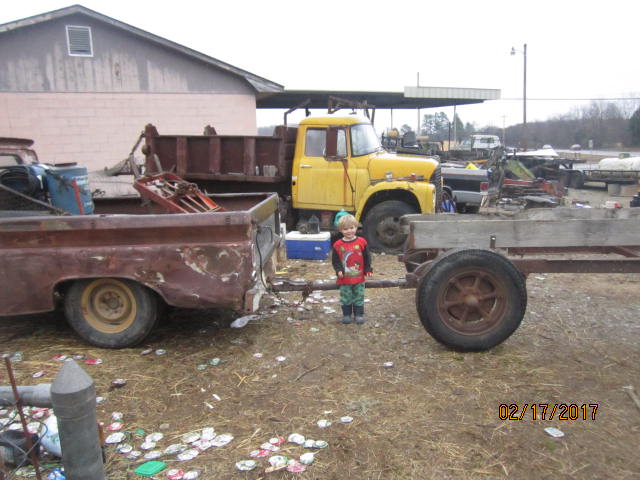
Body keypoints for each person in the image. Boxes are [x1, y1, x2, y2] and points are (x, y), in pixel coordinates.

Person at [331, 214, 372, 324]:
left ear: (356, 227)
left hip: (359, 278)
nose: (349, 231)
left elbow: (367, 257)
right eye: (345, 229)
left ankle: (358, 314)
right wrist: (338, 270)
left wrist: (368, 269)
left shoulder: (362, 242)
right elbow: (335, 261)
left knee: (359, 296)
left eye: (351, 228)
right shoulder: (337, 245)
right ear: (340, 230)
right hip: (345, 279)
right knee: (346, 297)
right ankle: (347, 314)